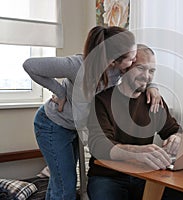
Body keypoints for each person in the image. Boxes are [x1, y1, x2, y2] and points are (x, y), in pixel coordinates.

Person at [23, 26, 162, 200]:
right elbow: (30, 65)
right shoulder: (77, 66)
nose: (134, 61)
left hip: (73, 127)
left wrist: (153, 87)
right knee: (65, 187)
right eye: (132, 58)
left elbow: (141, 73)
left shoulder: (118, 70)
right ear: (113, 60)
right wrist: (60, 93)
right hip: (53, 125)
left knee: (60, 180)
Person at [87, 44, 183, 200]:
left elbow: (174, 130)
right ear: (125, 68)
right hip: (108, 176)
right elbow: (99, 146)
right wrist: (136, 152)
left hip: (145, 175)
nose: (146, 76)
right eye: (141, 68)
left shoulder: (154, 101)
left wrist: (176, 138)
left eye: (151, 71)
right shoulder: (102, 100)